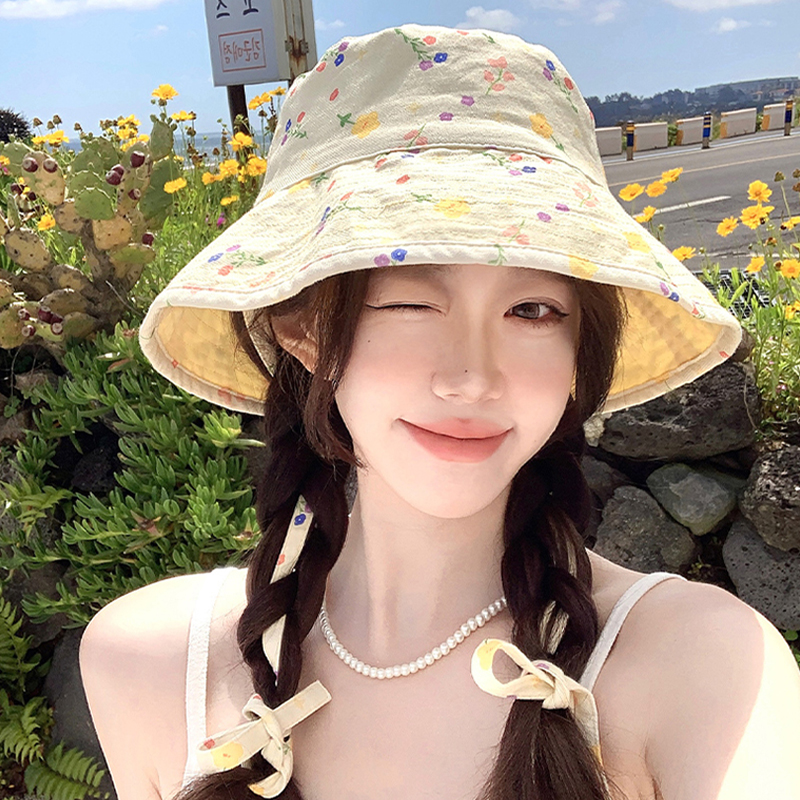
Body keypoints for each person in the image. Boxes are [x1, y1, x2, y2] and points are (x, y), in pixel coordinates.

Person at [79, 23, 800, 800]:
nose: (472, 379)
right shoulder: (150, 664)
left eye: (533, 311)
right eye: (409, 302)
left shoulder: (703, 665)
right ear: (303, 331)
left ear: (578, 351)